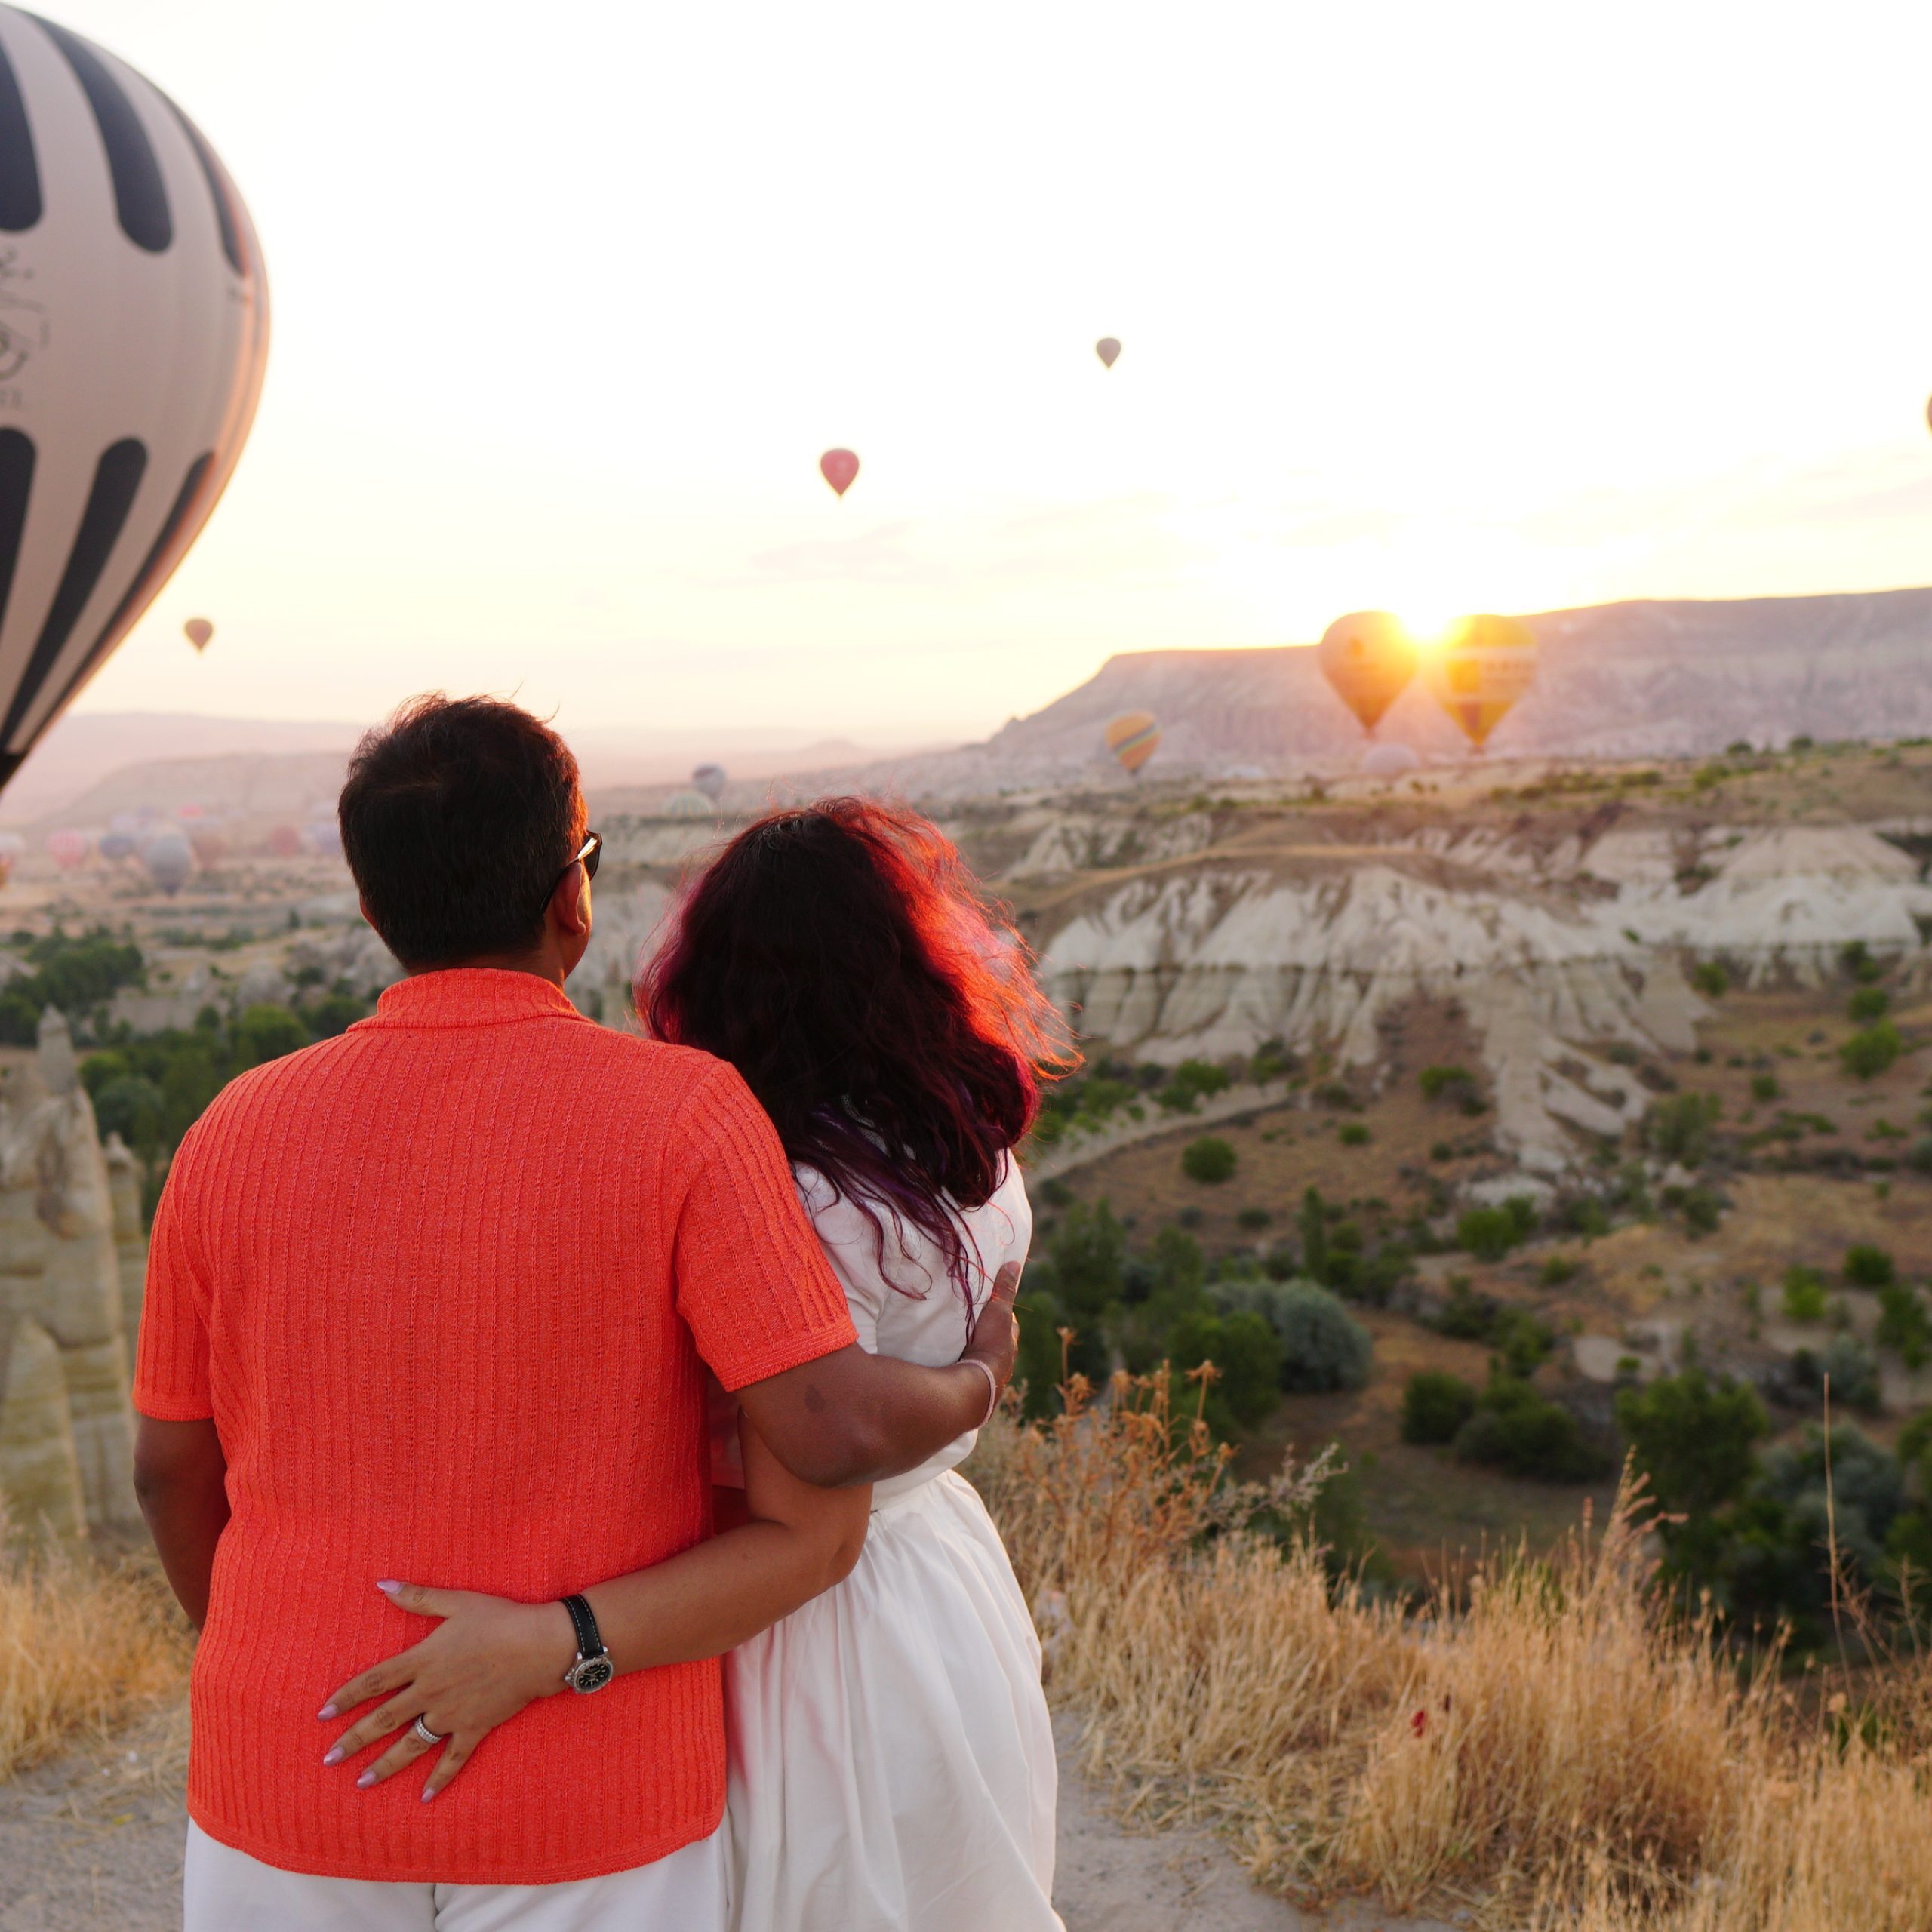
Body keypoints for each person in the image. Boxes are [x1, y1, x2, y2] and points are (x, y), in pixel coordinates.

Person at [132, 697, 1020, 1932]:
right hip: (593, 1795)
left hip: (293, 1769)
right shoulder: (686, 1120)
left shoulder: (227, 1134)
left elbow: (173, 1468)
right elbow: (816, 1531)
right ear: (573, 894)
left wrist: (271, 1669)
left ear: (374, 903)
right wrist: (571, 1640)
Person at [325, 798, 1068, 1931]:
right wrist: (981, 1380)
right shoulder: (967, 1158)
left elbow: (833, 1426)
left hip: (783, 1619)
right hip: (940, 1592)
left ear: (718, 979)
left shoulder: (778, 1191)